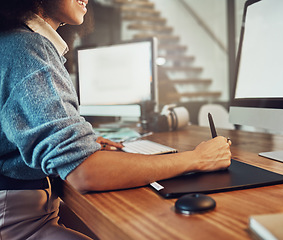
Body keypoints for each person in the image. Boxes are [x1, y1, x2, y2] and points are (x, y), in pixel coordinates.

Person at [0, 0, 232, 239]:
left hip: (30, 210)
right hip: (19, 224)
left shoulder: (17, 42)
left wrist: (77, 146)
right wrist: (198, 158)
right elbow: (85, 173)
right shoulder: (26, 48)